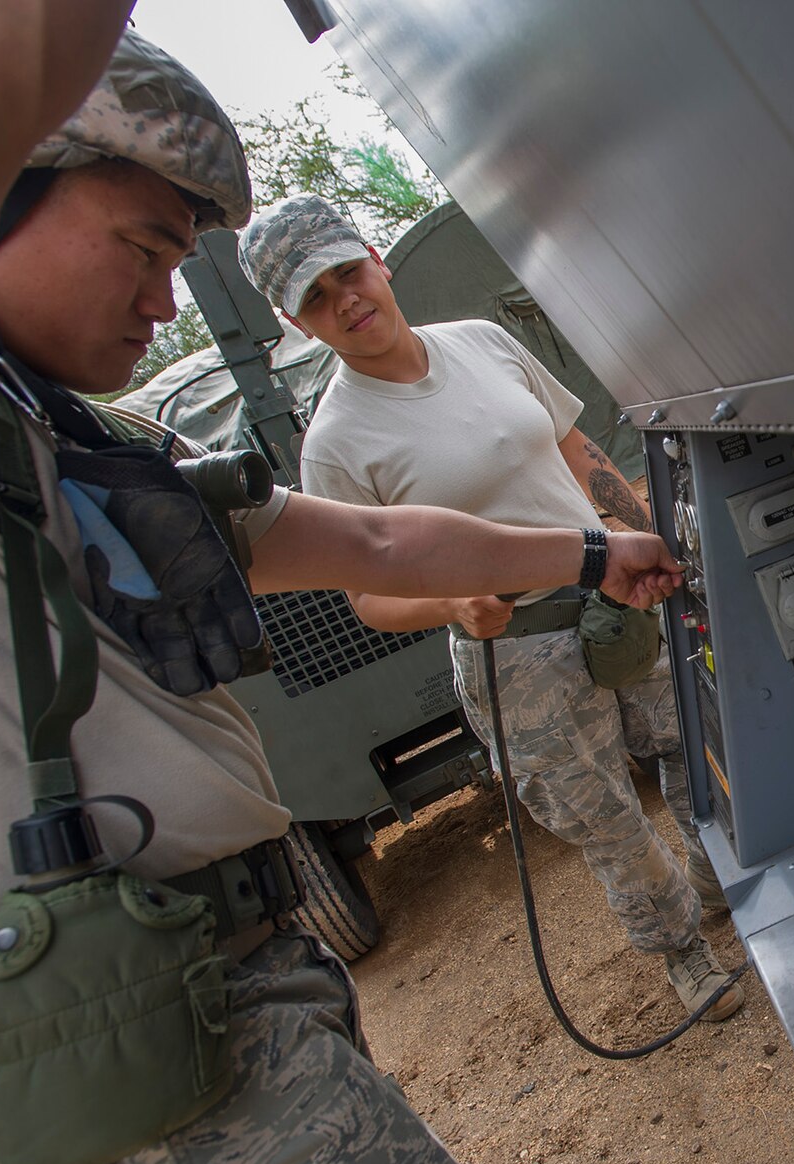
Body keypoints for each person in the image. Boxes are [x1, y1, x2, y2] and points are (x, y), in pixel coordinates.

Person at [0, 6, 676, 1164]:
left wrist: (583, 554)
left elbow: (379, 536)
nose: (165, 299)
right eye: (145, 243)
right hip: (111, 1044)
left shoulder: (59, 439)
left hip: (234, 1011)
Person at [238, 195, 746, 1025]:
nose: (346, 301)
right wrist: (448, 602)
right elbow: (366, 596)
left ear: (378, 257)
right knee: (607, 820)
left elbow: (576, 453)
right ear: (297, 325)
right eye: (317, 300)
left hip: (614, 599)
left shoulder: (480, 341)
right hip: (518, 652)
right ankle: (683, 951)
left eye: (348, 273)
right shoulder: (335, 443)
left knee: (701, 740)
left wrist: (657, 541)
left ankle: (713, 882)